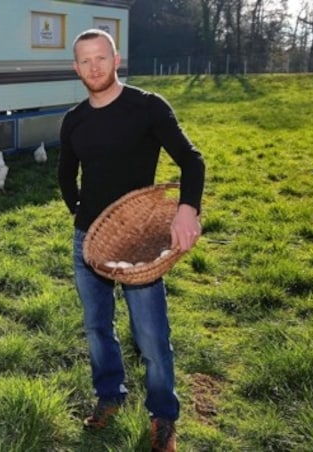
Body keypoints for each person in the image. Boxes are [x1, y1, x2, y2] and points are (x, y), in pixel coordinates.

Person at [57, 29, 205, 452]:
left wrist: (187, 208)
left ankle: (163, 416)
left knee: (152, 335)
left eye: (101, 57)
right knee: (96, 326)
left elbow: (191, 161)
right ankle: (110, 396)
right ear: (75, 68)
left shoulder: (147, 107)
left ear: (116, 58)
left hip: (140, 241)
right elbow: (66, 174)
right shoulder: (74, 119)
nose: (94, 67)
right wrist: (80, 213)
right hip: (89, 241)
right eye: (85, 61)